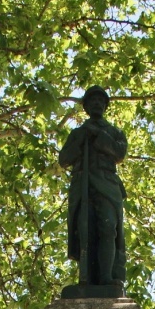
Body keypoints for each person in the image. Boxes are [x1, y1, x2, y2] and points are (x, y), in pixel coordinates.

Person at [59, 85, 127, 292]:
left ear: (105, 106)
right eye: (92, 101)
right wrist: (80, 139)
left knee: (108, 227)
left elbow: (119, 152)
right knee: (85, 231)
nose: (97, 103)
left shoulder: (114, 132)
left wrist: (97, 136)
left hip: (107, 183)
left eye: (100, 100)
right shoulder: (77, 133)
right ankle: (86, 279)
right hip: (83, 184)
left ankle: (107, 278)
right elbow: (64, 159)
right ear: (86, 107)